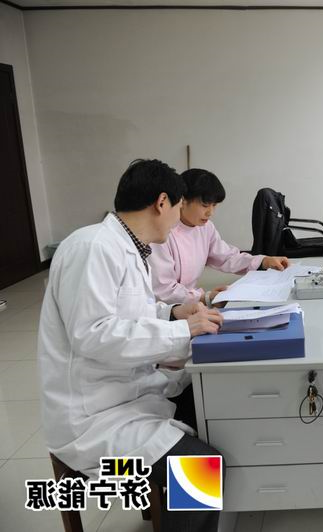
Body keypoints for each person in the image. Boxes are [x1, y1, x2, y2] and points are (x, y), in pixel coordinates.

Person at [39, 159, 225, 531]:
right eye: (178, 207)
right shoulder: (93, 247)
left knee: (211, 403)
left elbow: (129, 313)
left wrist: (173, 312)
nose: (178, 220)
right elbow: (93, 335)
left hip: (127, 393)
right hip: (92, 420)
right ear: (162, 202)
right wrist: (182, 330)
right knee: (197, 467)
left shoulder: (128, 247)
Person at [150, 168, 290, 305]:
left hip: (188, 303)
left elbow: (227, 257)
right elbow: (164, 290)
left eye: (214, 205)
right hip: (163, 309)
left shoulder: (205, 228)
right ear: (183, 200)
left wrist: (263, 261)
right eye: (205, 205)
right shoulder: (162, 233)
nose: (210, 212)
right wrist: (203, 297)